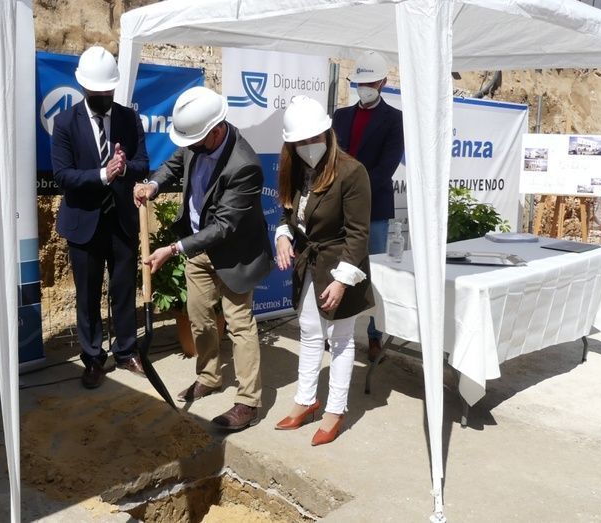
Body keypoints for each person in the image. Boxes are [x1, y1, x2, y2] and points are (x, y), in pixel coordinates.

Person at [134, 86, 272, 431]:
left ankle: (248, 402)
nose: (189, 146)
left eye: (194, 140)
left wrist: (173, 249)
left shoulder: (244, 166)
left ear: (216, 130)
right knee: (199, 316)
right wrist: (153, 185)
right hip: (199, 248)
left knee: (240, 324)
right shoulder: (197, 141)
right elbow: (173, 164)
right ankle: (209, 376)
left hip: (234, 254)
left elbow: (224, 227)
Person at [274, 96, 373, 446]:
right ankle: (305, 400)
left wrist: (342, 281)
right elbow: (288, 212)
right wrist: (283, 236)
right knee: (310, 332)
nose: (308, 146)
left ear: (327, 133)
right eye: (300, 142)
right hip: (310, 263)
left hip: (342, 264)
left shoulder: (352, 172)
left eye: (313, 138)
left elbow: (358, 234)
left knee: (341, 338)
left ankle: (335, 409)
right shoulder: (296, 169)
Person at [51, 46, 150, 389]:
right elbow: (62, 176)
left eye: (108, 91)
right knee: (88, 294)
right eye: (97, 92)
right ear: (83, 87)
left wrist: (123, 167)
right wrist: (103, 175)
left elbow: (143, 164)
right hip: (84, 222)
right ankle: (93, 357)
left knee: (124, 289)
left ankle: (126, 351)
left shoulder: (129, 119)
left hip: (121, 220)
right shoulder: (65, 122)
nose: (103, 98)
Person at [331, 50, 404, 361]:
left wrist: (353, 193)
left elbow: (386, 168)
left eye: (371, 83)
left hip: (374, 209)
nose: (365, 88)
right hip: (339, 207)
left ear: (383, 82)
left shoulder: (395, 119)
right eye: (360, 83)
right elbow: (332, 160)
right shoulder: (341, 116)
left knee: (374, 274)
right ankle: (335, 328)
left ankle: (375, 337)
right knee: (336, 267)